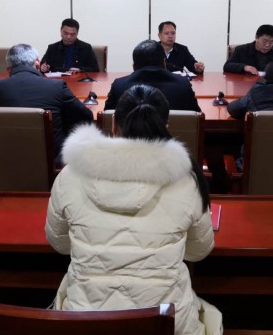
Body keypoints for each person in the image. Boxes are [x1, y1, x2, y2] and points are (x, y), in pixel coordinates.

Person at [46, 84, 222, 335]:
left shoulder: (71, 174)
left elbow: (60, 243)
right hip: (166, 324)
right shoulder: (187, 179)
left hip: (84, 322)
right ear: (166, 126)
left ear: (113, 125)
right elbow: (198, 251)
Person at [0, 43, 93, 160]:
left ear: (9, 69)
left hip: (5, 158)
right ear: (37, 64)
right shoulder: (56, 86)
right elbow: (86, 116)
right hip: (52, 160)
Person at [104, 39, 200, 111]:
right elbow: (196, 119)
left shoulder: (118, 86)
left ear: (134, 66)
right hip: (171, 133)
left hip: (130, 133)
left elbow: (107, 120)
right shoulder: (183, 85)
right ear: (164, 63)